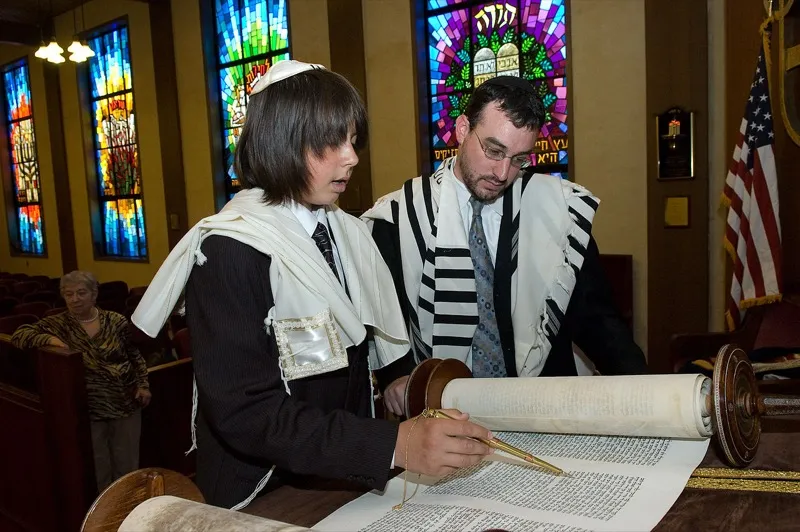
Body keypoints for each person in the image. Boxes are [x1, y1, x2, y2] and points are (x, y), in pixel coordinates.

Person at [131, 60, 492, 510]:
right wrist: (394, 446)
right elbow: (248, 414)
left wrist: (398, 378)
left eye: (353, 141)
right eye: (330, 142)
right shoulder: (230, 249)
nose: (352, 158)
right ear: (280, 140)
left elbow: (370, 341)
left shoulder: (349, 233)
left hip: (344, 473)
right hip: (265, 486)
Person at [365, 75, 648, 415]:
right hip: (445, 412)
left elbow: (599, 322)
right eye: (494, 150)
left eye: (519, 159)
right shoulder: (398, 220)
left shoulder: (558, 212)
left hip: (543, 408)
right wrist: (395, 375)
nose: (502, 173)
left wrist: (647, 394)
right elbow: (383, 320)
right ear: (461, 129)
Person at [12, 270, 151, 491]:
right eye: (69, 294)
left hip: (125, 402)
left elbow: (135, 356)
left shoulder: (115, 321)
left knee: (127, 464)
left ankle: (127, 508)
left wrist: (143, 384)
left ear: (94, 294)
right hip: (88, 408)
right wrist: (49, 339)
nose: (75, 299)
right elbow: (19, 336)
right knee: (98, 468)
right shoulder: (57, 324)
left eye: (81, 293)